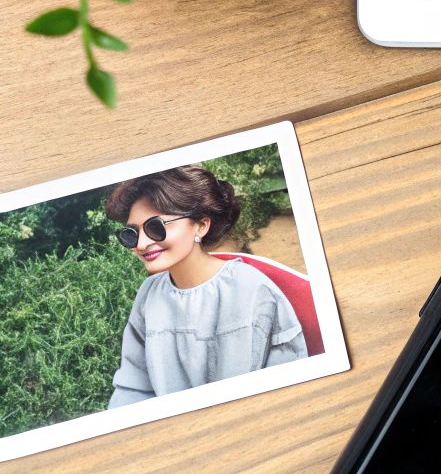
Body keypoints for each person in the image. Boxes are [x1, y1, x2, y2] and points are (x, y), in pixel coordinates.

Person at [105, 165, 307, 407]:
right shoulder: (149, 294)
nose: (141, 244)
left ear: (201, 225)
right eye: (132, 233)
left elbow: (290, 384)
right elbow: (132, 387)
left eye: (156, 227)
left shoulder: (251, 289)